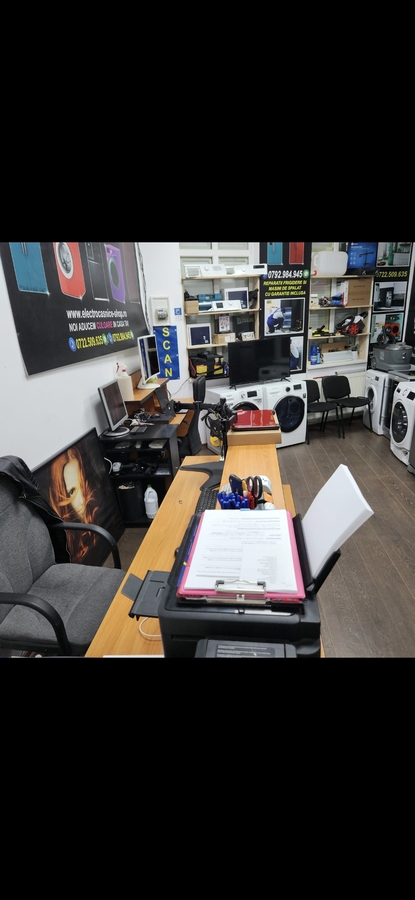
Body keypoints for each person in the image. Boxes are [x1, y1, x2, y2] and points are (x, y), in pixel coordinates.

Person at [48, 447, 99, 562]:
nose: (82, 500)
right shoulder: (70, 543)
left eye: (82, 484)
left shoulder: (106, 515)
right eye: (72, 492)